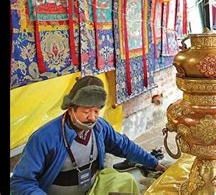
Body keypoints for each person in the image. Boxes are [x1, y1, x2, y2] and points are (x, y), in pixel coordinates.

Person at [10, 76, 167, 194]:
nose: (92, 117)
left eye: (96, 111)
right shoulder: (44, 138)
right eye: (86, 111)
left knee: (126, 181)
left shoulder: (100, 127)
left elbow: (125, 146)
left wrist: (153, 163)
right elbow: (20, 181)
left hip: (93, 186)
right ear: (71, 109)